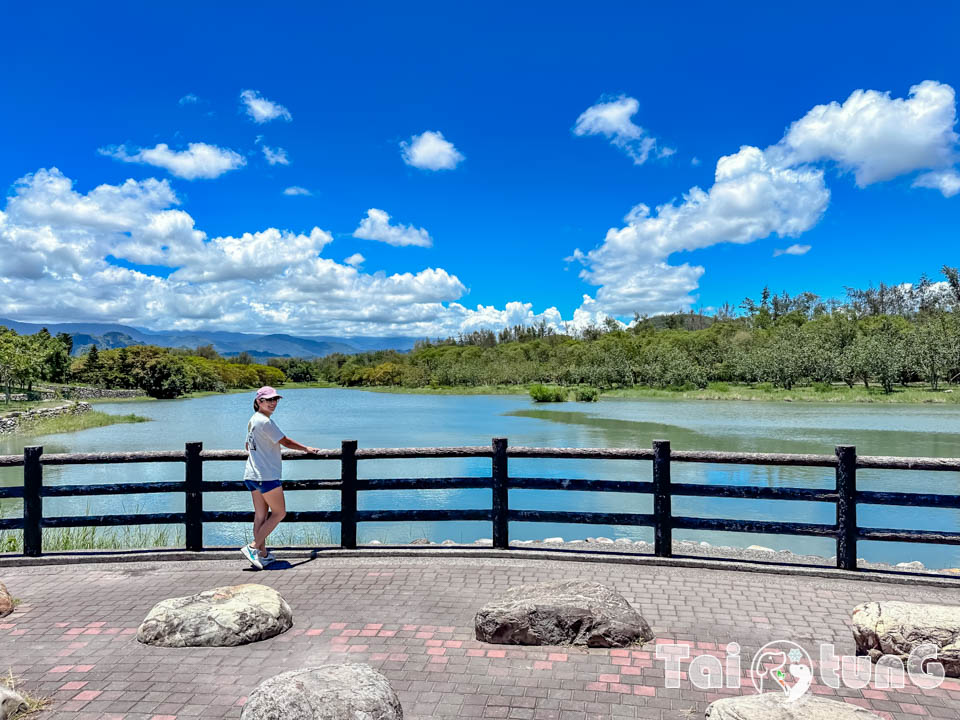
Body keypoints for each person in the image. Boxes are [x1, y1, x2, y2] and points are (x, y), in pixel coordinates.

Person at [241, 386, 320, 569]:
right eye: (268, 400)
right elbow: (285, 441)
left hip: (251, 474)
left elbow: (247, 445)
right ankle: (253, 547)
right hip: (266, 476)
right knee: (279, 513)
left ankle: (263, 554)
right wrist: (306, 448)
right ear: (258, 402)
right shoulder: (265, 422)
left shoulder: (253, 420)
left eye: (275, 399)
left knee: (261, 515)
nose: (273, 403)